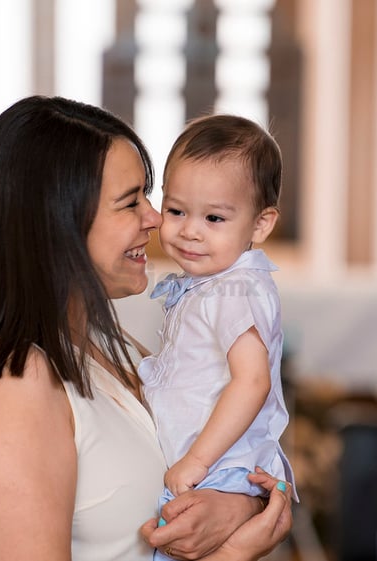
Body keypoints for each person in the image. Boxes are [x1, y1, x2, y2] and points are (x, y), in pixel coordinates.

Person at [0, 96, 293, 561]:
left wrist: (239, 506)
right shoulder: (13, 386)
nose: (156, 218)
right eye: (130, 202)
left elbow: (205, 455)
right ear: (59, 223)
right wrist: (231, 556)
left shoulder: (107, 345)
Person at [138, 114, 298, 561]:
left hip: (218, 467)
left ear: (260, 225)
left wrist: (197, 461)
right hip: (209, 464)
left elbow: (253, 381)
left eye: (213, 217)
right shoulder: (215, 282)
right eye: (176, 211)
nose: (190, 230)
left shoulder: (236, 289)